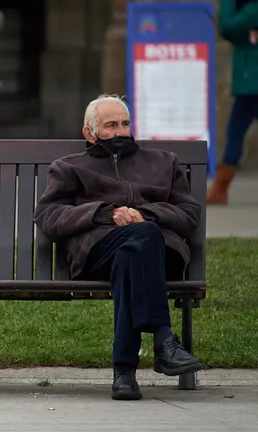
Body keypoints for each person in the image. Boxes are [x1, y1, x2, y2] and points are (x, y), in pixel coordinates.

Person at [33, 94, 203, 401]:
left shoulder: (164, 162)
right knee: (136, 245)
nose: (121, 131)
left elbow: (189, 215)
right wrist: (103, 213)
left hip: (161, 252)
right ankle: (163, 343)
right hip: (98, 250)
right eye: (111, 125)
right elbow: (48, 216)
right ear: (89, 133)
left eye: (125, 123)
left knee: (137, 247)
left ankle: (125, 371)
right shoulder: (70, 167)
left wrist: (146, 214)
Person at [207, 0, 258, 204]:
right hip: (249, 82)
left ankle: (220, 189)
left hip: (251, 83)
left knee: (235, 132)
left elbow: (228, 26)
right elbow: (230, 32)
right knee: (234, 131)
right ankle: (220, 189)